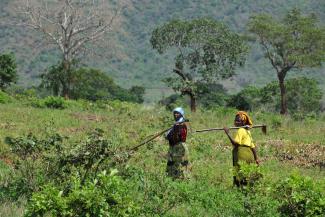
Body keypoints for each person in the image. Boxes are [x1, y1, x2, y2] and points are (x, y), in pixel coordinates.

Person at [223, 111, 260, 187]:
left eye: (238, 121)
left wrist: (227, 133)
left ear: (243, 122)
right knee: (248, 172)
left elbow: (236, 143)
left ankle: (241, 188)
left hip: (241, 153)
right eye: (235, 120)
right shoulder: (247, 131)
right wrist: (256, 158)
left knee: (240, 172)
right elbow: (252, 146)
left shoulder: (240, 130)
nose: (236, 122)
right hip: (250, 154)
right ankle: (249, 188)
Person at [166, 107, 190, 179]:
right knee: (171, 163)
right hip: (172, 147)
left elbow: (180, 136)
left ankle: (183, 178)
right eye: (175, 113)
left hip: (179, 147)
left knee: (180, 163)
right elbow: (168, 136)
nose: (176, 115)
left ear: (181, 114)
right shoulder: (175, 125)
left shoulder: (182, 125)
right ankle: (171, 178)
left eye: (178, 113)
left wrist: (175, 129)